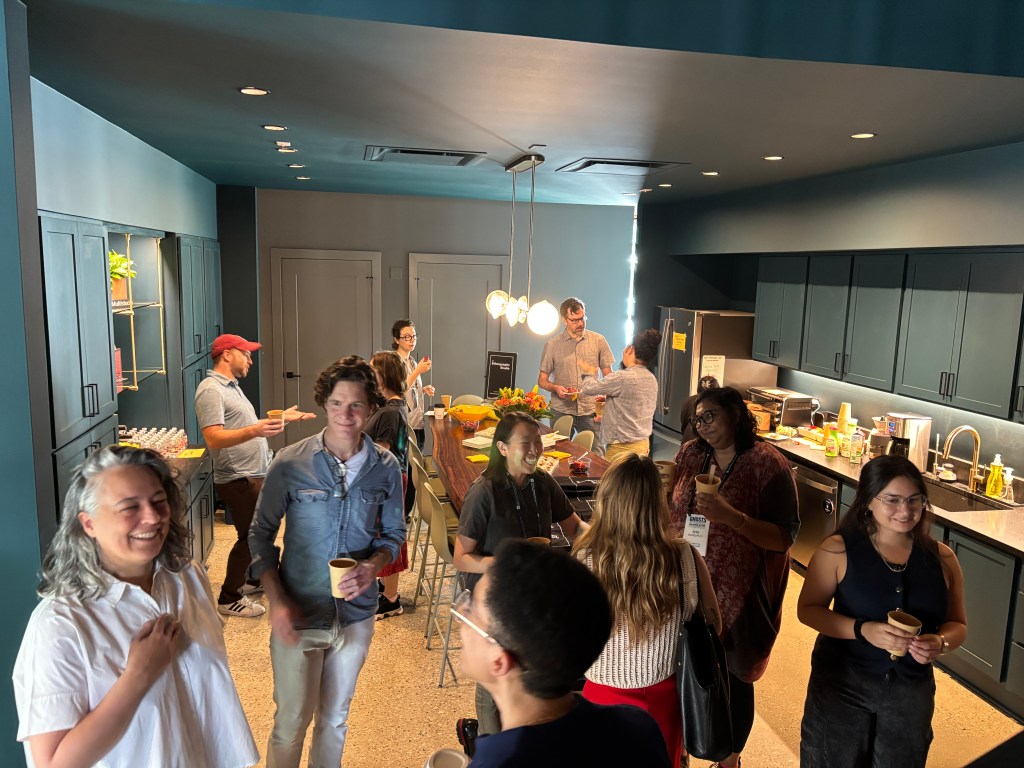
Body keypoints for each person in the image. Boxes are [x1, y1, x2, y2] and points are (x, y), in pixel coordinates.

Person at [13, 445, 258, 768]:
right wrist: (137, 677)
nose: (153, 517)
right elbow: (52, 763)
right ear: (88, 524)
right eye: (129, 507)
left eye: (159, 501)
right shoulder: (60, 625)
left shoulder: (186, 576)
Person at [248, 356, 405, 768]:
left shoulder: (386, 468)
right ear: (324, 404)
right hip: (299, 611)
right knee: (291, 721)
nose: (346, 415)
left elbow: (394, 535)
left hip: (355, 615)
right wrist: (276, 600)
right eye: (337, 404)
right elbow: (259, 534)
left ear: (371, 407)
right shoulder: (290, 463)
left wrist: (372, 567)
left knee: (334, 720)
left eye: (355, 405)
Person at [797, 455, 967, 768]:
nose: (906, 510)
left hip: (910, 690)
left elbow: (957, 624)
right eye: (892, 500)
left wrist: (940, 642)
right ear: (868, 501)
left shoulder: (943, 559)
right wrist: (862, 630)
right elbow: (808, 610)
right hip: (843, 682)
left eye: (914, 500)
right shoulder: (837, 550)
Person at [451, 538, 672, 768]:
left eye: (471, 610)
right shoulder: (638, 728)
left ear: (499, 661)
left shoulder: (497, 762)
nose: (461, 619)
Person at [668, 385, 799, 768]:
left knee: (733, 678)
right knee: (687, 664)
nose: (702, 425)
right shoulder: (691, 454)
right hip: (688, 580)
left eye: (710, 415)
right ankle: (687, 747)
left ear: (736, 415)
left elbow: (784, 537)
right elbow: (674, 507)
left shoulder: (768, 464)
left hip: (740, 591)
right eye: (697, 419)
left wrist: (733, 518)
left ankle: (730, 759)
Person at [574, 453, 721, 766]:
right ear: (659, 502)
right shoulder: (684, 557)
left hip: (598, 693)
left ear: (606, 501)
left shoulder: (585, 558)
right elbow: (713, 623)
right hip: (663, 698)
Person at [454, 412, 588, 735]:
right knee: (495, 675)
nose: (535, 449)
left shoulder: (541, 483)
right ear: (501, 448)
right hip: (492, 598)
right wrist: (500, 563)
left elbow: (575, 526)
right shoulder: (484, 492)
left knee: (524, 672)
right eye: (526, 443)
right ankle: (487, 741)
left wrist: (602, 542)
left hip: (532, 595)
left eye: (538, 441)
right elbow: (461, 558)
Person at [195, 332, 315, 618]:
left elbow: (243, 425)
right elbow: (213, 438)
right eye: (245, 353)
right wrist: (257, 430)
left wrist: (281, 418)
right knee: (251, 537)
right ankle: (228, 598)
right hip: (238, 477)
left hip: (253, 472)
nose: (250, 358)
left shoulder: (231, 387)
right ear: (226, 354)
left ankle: (251, 580)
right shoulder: (211, 390)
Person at [367, 350, 411, 619]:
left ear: (385, 375)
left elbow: (381, 453)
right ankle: (383, 589)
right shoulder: (384, 406)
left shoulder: (391, 412)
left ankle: (391, 600)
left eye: (373, 369)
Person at [537, 297, 614, 444]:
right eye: (575, 320)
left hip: (591, 410)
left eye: (582, 318)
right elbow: (541, 380)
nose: (581, 323)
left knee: (597, 455)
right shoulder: (552, 345)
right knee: (559, 452)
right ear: (564, 320)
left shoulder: (598, 340)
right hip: (561, 410)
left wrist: (607, 408)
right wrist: (555, 388)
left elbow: (608, 377)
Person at [578, 328, 661, 460]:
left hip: (621, 448)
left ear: (630, 349)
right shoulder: (651, 378)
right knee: (634, 481)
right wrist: (610, 407)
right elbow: (634, 406)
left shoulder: (621, 377)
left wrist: (588, 372)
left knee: (615, 481)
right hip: (643, 444)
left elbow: (589, 388)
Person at [392, 319, 435, 449]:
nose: (412, 340)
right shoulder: (393, 362)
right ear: (396, 340)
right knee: (406, 468)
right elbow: (398, 391)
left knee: (415, 466)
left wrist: (422, 390)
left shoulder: (412, 361)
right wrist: (418, 371)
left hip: (417, 423)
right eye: (407, 337)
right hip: (403, 426)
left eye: (414, 336)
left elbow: (409, 388)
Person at [680, 375, 719, 444]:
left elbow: (684, 423)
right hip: (706, 444)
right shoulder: (719, 403)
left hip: (688, 440)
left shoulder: (688, 401)